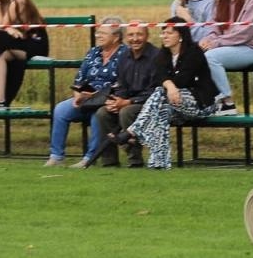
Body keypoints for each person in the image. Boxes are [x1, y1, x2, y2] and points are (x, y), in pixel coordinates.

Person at [113, 17, 218, 170]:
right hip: (174, 104)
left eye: (169, 33)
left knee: (160, 92)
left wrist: (168, 85)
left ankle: (133, 130)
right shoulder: (163, 55)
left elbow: (183, 80)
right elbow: (159, 77)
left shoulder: (194, 53)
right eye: (163, 33)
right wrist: (169, 85)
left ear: (180, 35)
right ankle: (160, 163)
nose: (165, 36)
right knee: (161, 112)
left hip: (200, 104)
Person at [47, 17, 124, 168]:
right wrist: (78, 94)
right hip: (85, 99)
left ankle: (89, 158)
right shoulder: (94, 52)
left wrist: (98, 95)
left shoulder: (125, 54)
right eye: (98, 33)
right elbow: (80, 78)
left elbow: (122, 84)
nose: (99, 36)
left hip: (108, 101)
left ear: (116, 37)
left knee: (98, 115)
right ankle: (56, 156)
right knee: (61, 110)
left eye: (103, 33)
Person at [91, 23, 162, 168]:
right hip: (128, 101)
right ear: (126, 37)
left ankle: (134, 159)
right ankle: (109, 161)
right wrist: (116, 101)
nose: (135, 39)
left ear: (147, 36)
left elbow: (157, 90)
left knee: (126, 111)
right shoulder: (123, 57)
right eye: (131, 35)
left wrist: (128, 102)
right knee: (102, 113)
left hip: (151, 102)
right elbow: (122, 85)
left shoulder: (157, 56)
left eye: (139, 34)